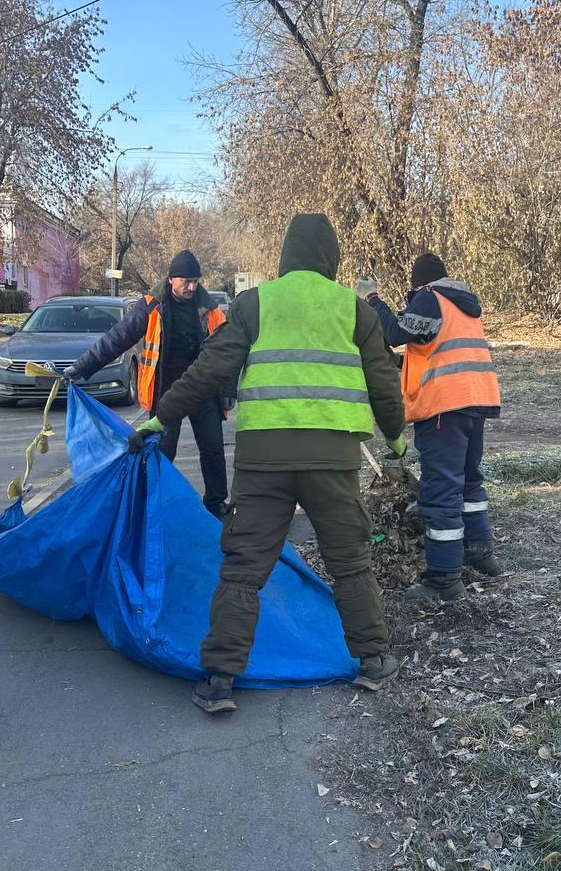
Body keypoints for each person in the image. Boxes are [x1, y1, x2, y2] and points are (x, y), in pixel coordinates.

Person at [132, 213, 407, 715]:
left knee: (243, 567)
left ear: (286, 254)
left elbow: (209, 369)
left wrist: (159, 417)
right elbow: (385, 384)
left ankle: (219, 679)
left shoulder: (253, 304)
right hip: (332, 459)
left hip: (262, 463)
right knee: (350, 561)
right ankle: (373, 661)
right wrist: (396, 438)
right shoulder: (354, 310)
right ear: (331, 257)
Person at [357, 253, 502, 603]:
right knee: (468, 479)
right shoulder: (462, 304)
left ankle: (444, 578)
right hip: (474, 400)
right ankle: (480, 554)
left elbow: (395, 332)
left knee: (440, 489)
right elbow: (430, 349)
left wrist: (372, 299)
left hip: (443, 407)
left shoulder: (430, 297)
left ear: (419, 283)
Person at [67, 250, 232, 517]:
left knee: (212, 450)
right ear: (170, 279)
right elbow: (116, 339)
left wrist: (229, 390)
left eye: (195, 281)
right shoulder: (150, 306)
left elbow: (229, 352)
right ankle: (155, 504)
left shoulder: (210, 310)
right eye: (185, 281)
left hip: (203, 389)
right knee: (162, 450)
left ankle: (216, 505)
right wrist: (81, 368)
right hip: (166, 392)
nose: (191, 287)